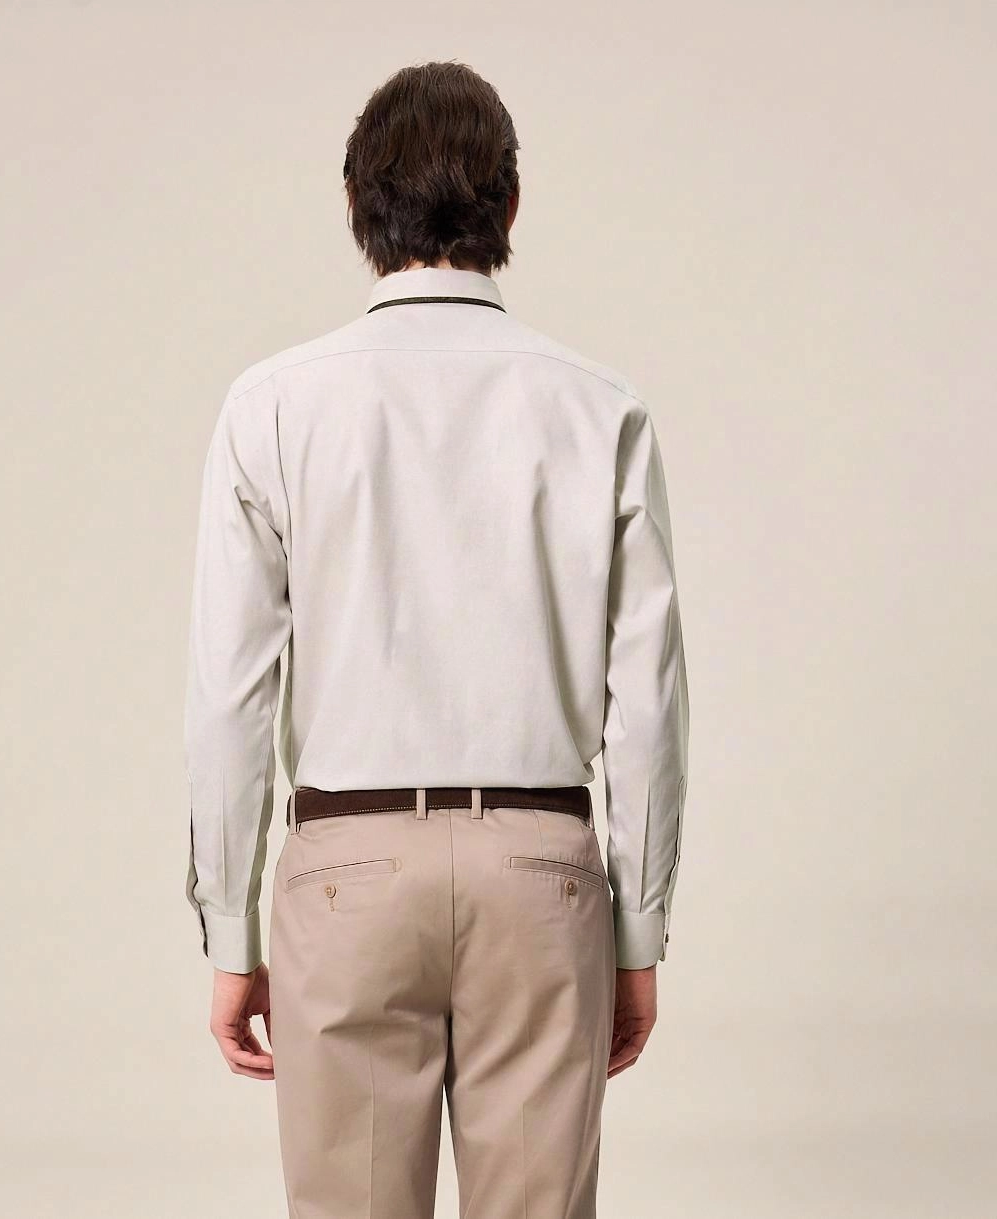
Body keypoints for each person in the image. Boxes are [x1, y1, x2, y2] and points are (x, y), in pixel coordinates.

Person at [183, 59, 689, 1219]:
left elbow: (230, 695)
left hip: (345, 873)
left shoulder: (272, 405)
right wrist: (639, 928)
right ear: (509, 202)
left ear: (356, 204)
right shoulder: (599, 407)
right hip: (541, 872)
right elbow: (648, 699)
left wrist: (229, 928)